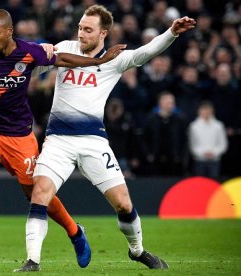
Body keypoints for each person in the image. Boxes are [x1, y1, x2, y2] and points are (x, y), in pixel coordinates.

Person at [15, 5, 196, 272]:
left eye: (88, 30)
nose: (81, 34)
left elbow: (146, 52)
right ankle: (33, 261)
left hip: (93, 142)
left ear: (103, 33)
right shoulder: (66, 48)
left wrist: (171, 32)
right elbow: (33, 64)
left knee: (123, 203)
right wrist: (23, 66)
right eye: (79, 28)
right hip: (58, 141)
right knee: (40, 193)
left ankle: (137, 251)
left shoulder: (115, 59)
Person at [0, 9, 125, 271]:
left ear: (9, 32)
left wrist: (101, 60)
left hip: (18, 136)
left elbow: (62, 59)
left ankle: (75, 232)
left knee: (36, 195)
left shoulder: (30, 52)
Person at [188, 101, 228, 179]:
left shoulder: (218, 126)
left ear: (212, 111)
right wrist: (202, 153)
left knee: (214, 183)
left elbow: (223, 144)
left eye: (208, 110)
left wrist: (214, 153)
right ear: (199, 111)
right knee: (200, 184)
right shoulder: (194, 126)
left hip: (215, 160)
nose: (206, 112)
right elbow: (192, 144)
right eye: (204, 110)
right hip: (199, 160)